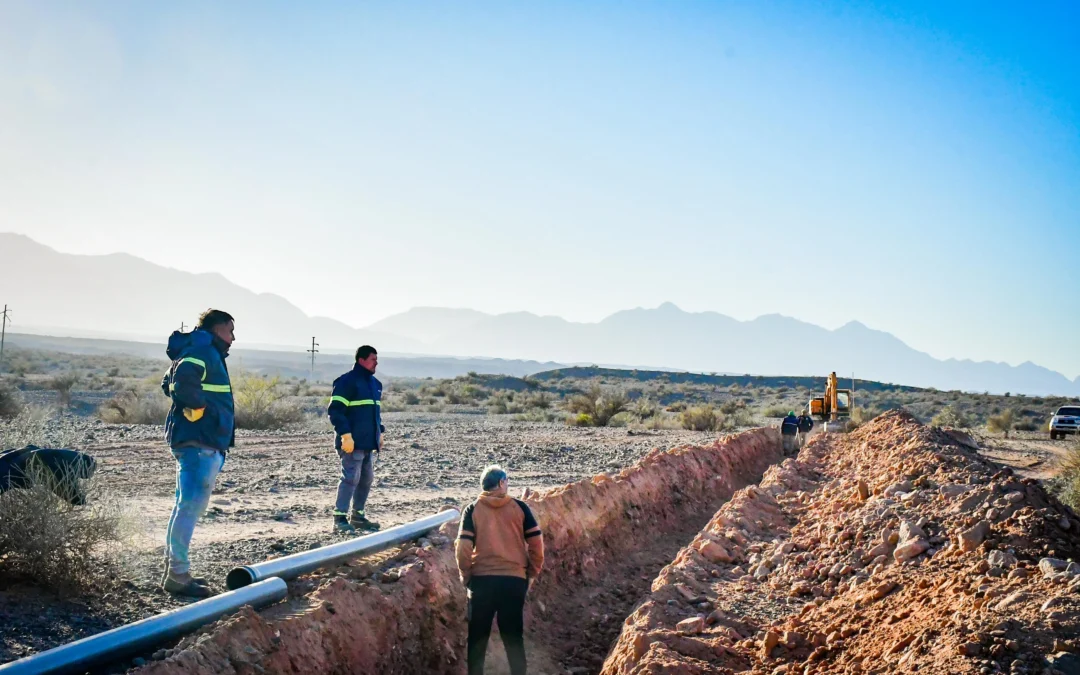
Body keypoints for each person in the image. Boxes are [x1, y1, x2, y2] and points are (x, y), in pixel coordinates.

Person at [160, 309, 236, 597]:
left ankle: (175, 571)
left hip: (200, 441)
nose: (233, 337)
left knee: (185, 507)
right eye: (230, 331)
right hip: (198, 442)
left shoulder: (202, 349)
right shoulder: (203, 350)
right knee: (189, 507)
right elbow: (180, 381)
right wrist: (198, 408)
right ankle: (178, 575)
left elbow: (168, 381)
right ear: (217, 330)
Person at [456, 465, 544, 675]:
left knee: (477, 639)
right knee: (513, 638)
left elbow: (463, 547)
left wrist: (466, 576)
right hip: (513, 581)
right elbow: (536, 544)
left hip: (482, 582)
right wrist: (531, 573)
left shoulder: (473, 509)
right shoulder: (520, 508)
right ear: (502, 483)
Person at [327, 345, 384, 534]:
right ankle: (339, 518)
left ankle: (358, 516)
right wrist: (345, 435)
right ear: (361, 360)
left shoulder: (375, 385)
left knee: (366, 478)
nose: (376, 362)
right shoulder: (346, 382)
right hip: (352, 442)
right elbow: (335, 411)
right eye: (373, 359)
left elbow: (374, 414)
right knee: (351, 478)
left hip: (369, 442)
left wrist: (380, 433)